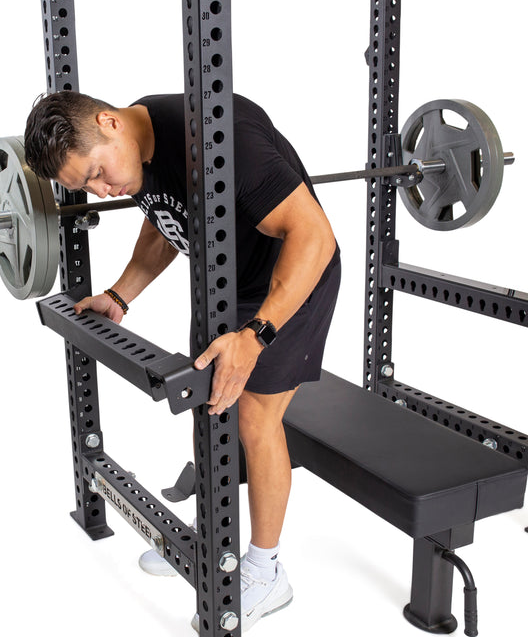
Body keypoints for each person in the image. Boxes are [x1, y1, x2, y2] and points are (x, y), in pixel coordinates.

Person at [24, 91, 341, 631]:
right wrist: (121, 295)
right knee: (207, 402)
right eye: (88, 187)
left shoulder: (218, 136)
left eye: (99, 172)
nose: (104, 190)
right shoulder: (137, 150)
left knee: (255, 418)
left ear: (108, 122)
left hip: (290, 282)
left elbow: (314, 235)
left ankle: (266, 572)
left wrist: (256, 335)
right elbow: (163, 223)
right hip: (223, 285)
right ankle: (215, 536)